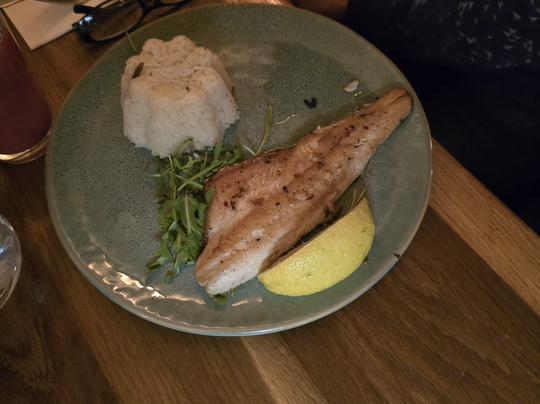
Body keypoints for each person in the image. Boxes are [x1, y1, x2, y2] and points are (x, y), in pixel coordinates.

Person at [294, 0, 540, 233]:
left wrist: (351, 5)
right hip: (442, 38)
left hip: (509, 94)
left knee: (425, 197)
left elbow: (477, 25)